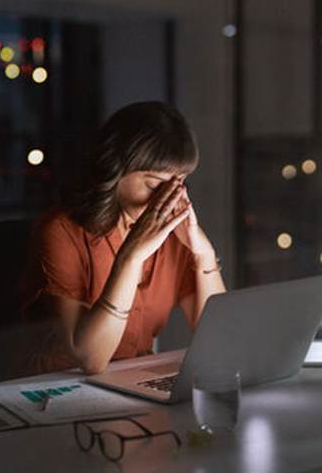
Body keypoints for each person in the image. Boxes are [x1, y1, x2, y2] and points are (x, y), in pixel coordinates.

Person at [17, 101, 226, 375]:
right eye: (154, 184)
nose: (169, 197)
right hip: (57, 389)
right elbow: (91, 359)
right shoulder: (61, 231)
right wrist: (132, 256)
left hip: (131, 382)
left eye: (179, 182)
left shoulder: (175, 239)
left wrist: (203, 254)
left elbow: (220, 340)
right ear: (115, 170)